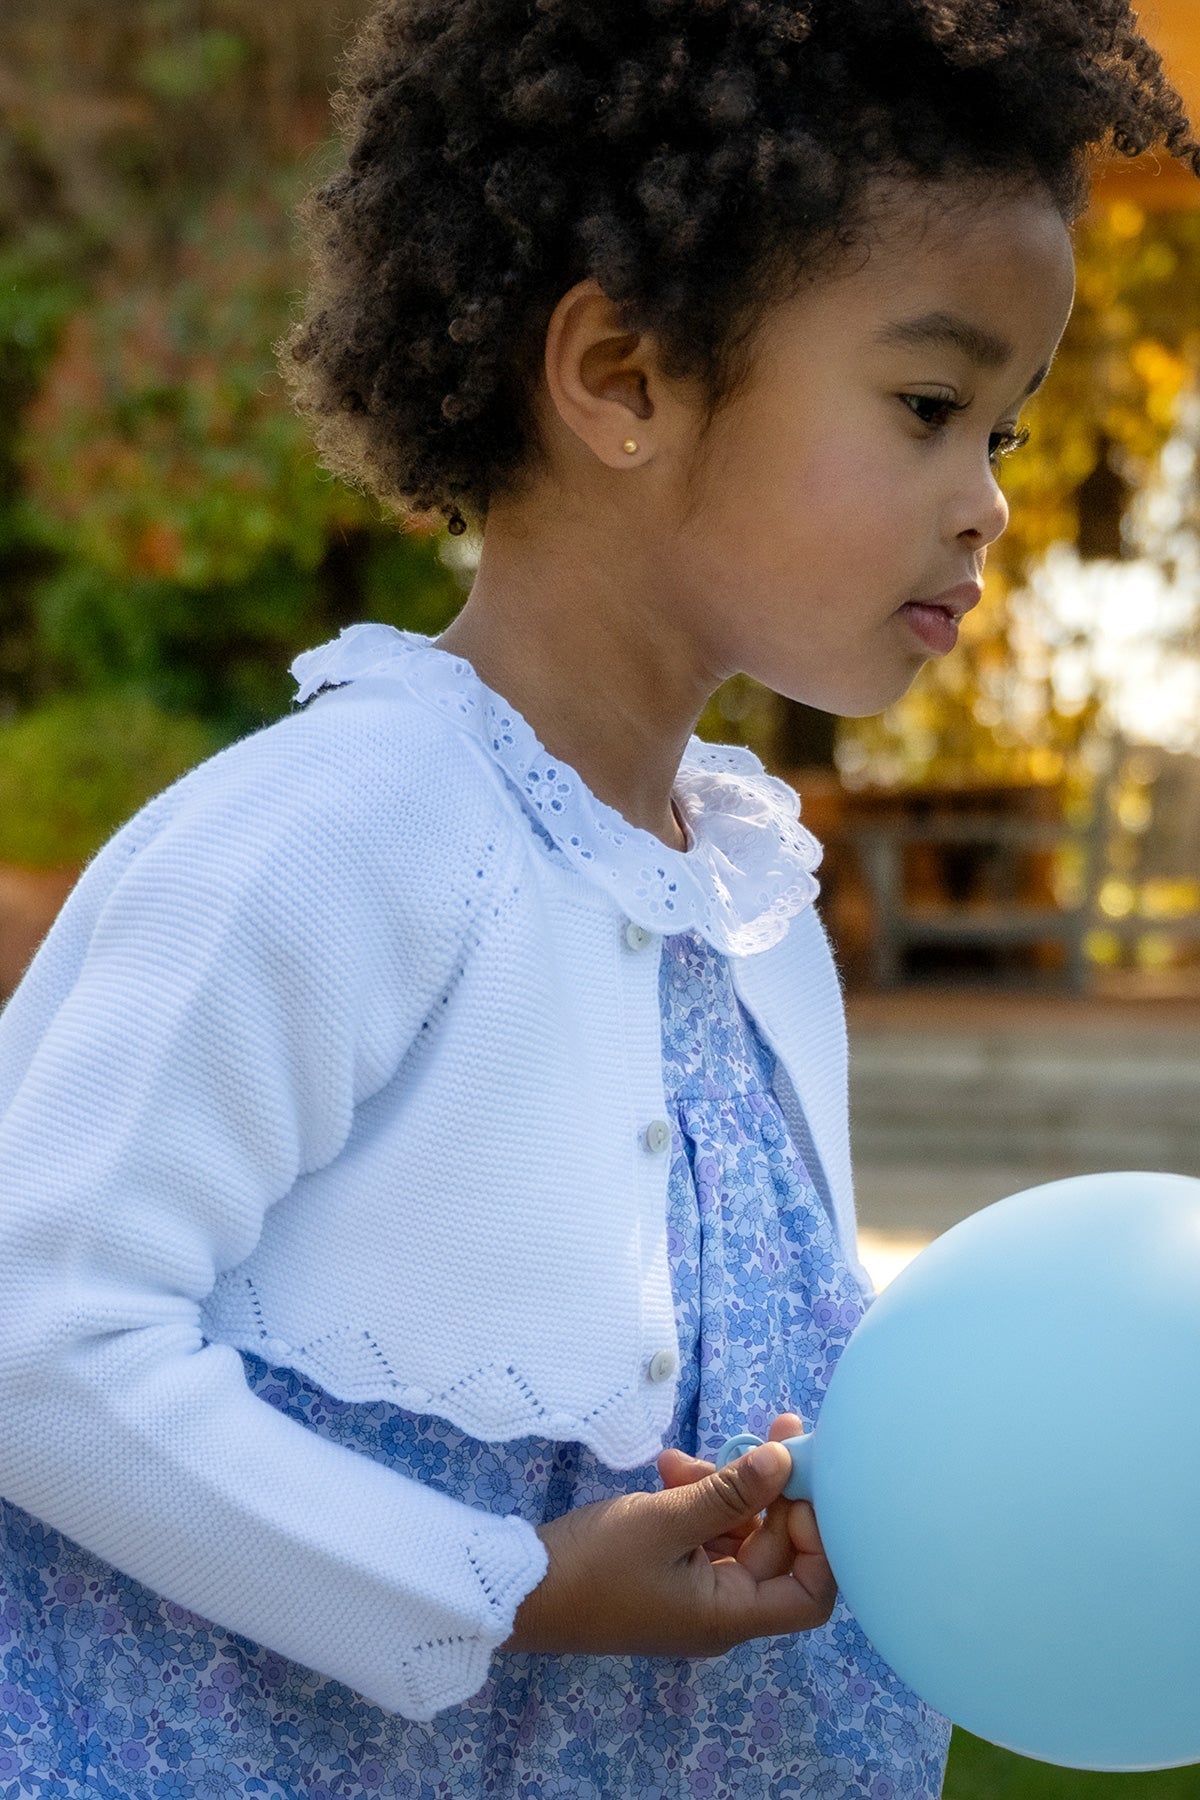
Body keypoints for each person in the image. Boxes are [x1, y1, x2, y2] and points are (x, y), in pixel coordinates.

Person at [0, 3, 1196, 1796]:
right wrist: (507, 1585)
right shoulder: (335, 835)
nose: (990, 506)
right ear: (624, 378)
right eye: (933, 407)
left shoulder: (752, 899)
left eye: (1008, 431)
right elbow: (42, 1338)